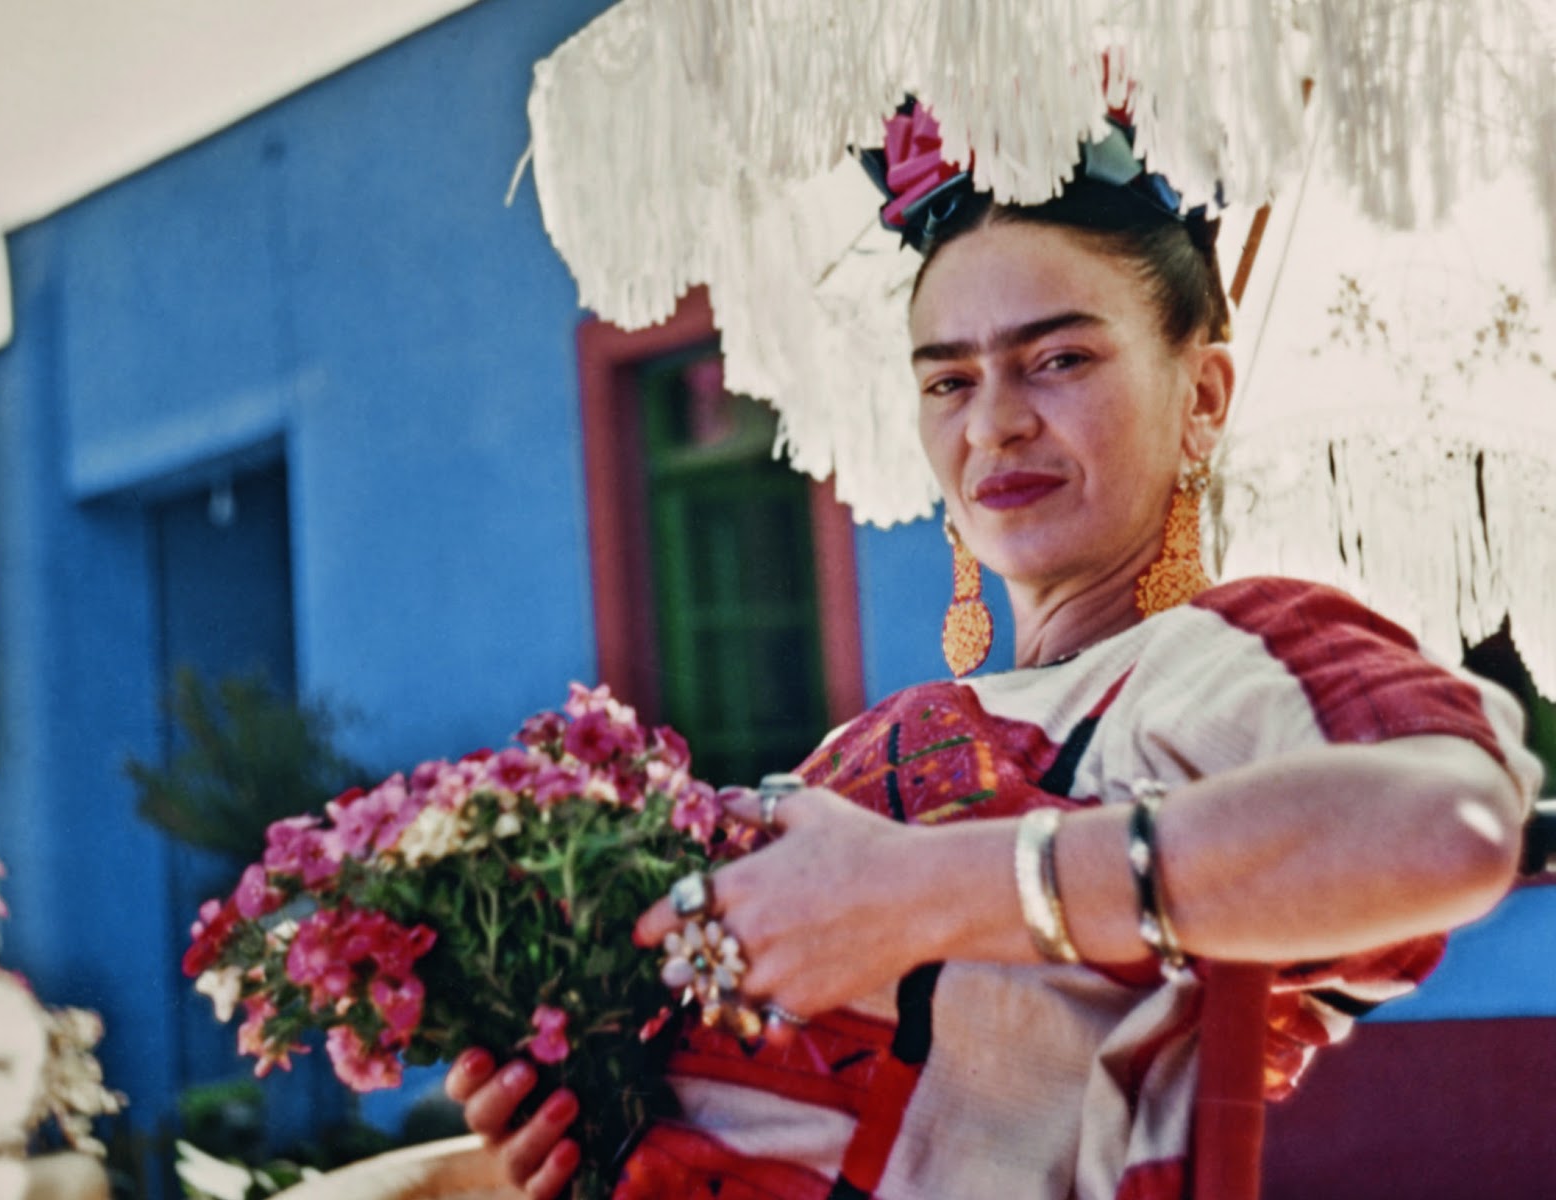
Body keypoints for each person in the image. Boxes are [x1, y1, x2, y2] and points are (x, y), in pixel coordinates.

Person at [445, 107, 1542, 1199]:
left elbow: (1458, 824)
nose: (994, 425)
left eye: (1057, 358)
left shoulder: (1228, 656)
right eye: (948, 380)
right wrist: (595, 1119)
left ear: (1200, 396)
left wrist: (929, 890)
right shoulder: (851, 747)